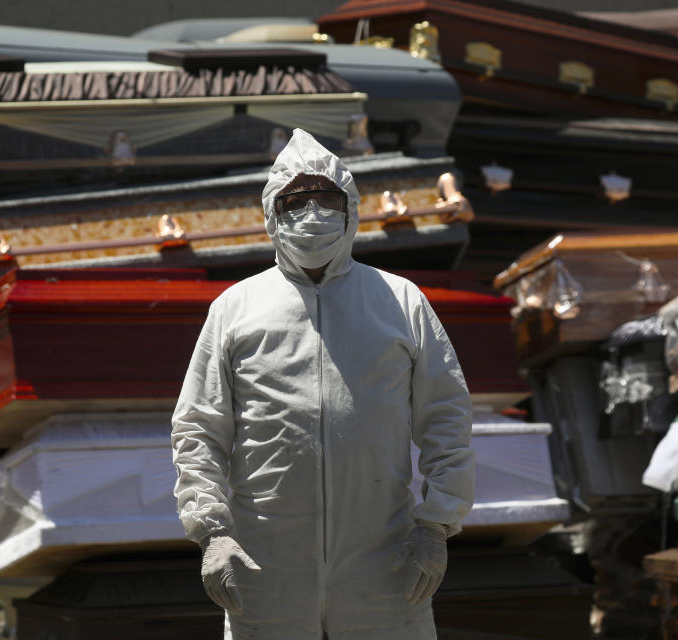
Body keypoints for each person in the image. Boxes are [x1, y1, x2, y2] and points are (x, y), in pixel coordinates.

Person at [172, 128, 475, 639]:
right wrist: (213, 533)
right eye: (295, 201)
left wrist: (435, 525)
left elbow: (446, 416)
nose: (312, 213)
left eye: (325, 198)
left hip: (385, 562)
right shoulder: (235, 308)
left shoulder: (400, 302)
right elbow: (199, 430)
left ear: (350, 207)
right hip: (263, 566)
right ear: (272, 212)